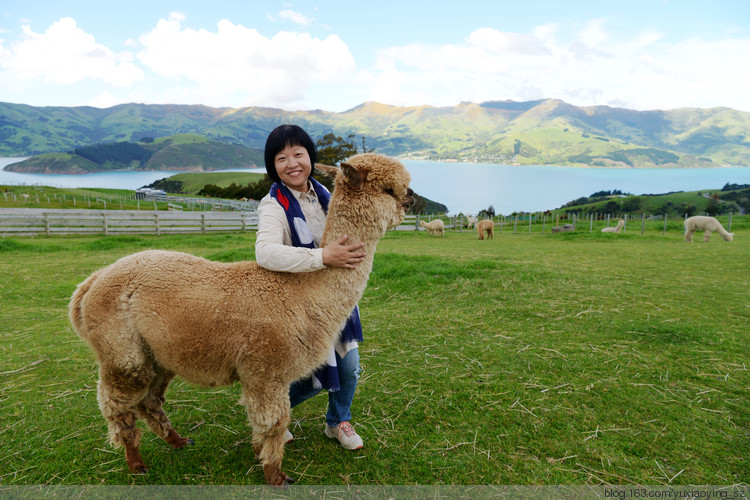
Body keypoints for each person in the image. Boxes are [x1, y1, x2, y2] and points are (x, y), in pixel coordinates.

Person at [255, 124, 366, 450]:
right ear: (272, 165)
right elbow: (265, 252)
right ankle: (272, 412)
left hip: (336, 298)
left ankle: (338, 421)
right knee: (314, 378)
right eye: (281, 157)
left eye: (298, 154)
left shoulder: (330, 196)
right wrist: (323, 256)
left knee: (349, 368)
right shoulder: (273, 205)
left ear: (310, 157)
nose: (292, 163)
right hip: (299, 303)